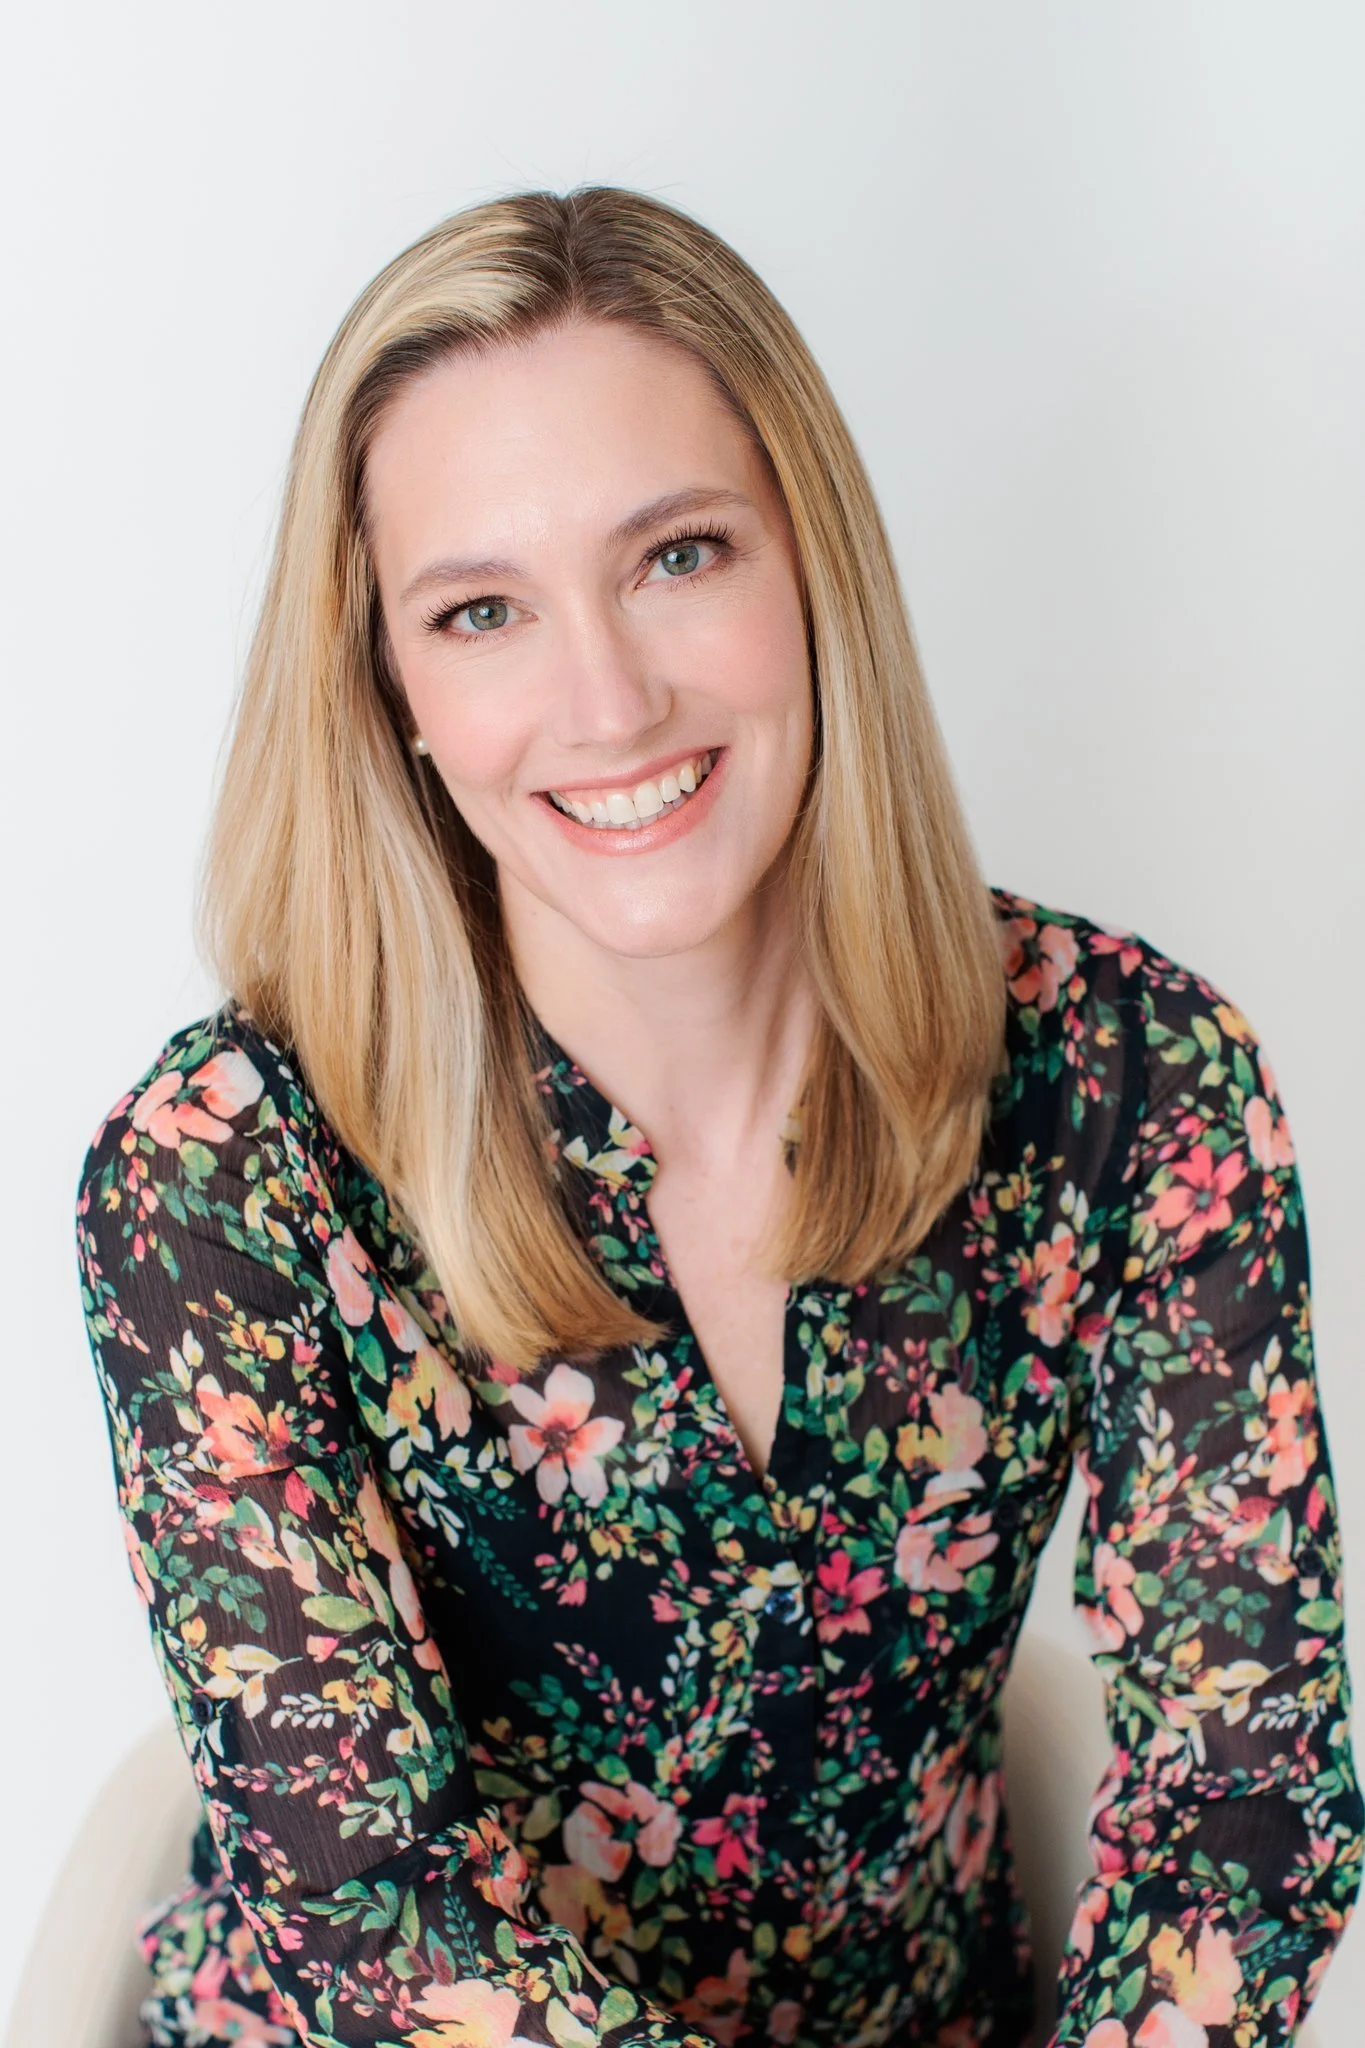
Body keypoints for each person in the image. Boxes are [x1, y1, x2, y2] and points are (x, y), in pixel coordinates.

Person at [74, 186, 1362, 2048]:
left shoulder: (1131, 1081)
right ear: (396, 696)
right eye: (483, 609)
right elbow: (374, 1922)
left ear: (811, 568)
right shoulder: (221, 1180)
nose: (607, 697)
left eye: (678, 556)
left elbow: (1238, 1813)